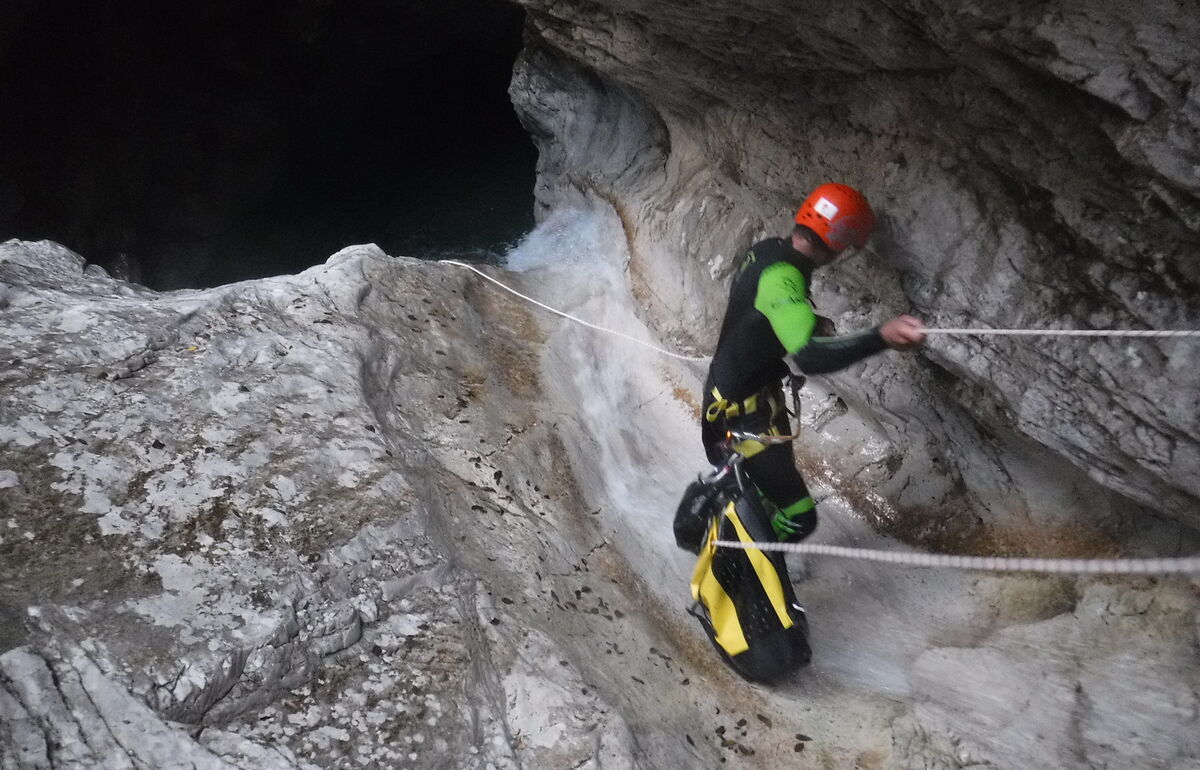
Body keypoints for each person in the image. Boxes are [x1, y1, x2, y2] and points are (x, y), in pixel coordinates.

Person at [701, 183, 925, 543]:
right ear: (839, 242)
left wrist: (801, 323)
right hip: (742, 415)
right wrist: (881, 336)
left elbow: (753, 311)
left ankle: (751, 542)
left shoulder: (768, 250)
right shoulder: (784, 277)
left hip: (736, 393)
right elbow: (811, 357)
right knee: (800, 517)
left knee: (764, 492)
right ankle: (749, 572)